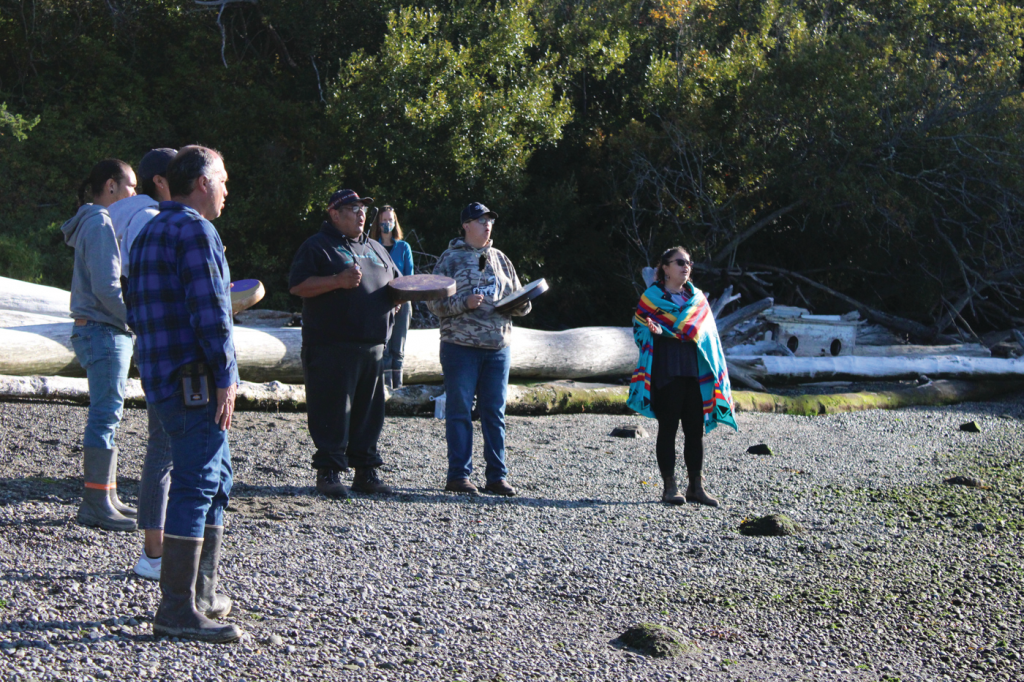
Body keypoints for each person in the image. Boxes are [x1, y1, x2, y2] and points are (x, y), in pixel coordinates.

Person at [126, 145, 242, 643]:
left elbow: (133, 308)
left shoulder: (147, 229)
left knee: (217, 476)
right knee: (197, 484)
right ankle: (177, 608)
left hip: (161, 378)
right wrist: (227, 376)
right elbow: (212, 311)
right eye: (222, 181)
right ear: (200, 183)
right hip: (196, 381)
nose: (225, 191)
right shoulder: (197, 229)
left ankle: (202, 593)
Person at [289, 189, 401, 498]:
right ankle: (328, 472)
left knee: (369, 413)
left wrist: (400, 299)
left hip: (374, 346)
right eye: (352, 208)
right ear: (334, 214)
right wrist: (336, 281)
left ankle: (366, 471)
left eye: (363, 208)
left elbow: (397, 282)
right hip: (330, 345)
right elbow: (297, 285)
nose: (361, 213)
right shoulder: (318, 246)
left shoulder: (377, 248)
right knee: (331, 412)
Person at [427, 202, 531, 496]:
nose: (487, 225)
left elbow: (523, 302)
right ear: (465, 226)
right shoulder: (449, 260)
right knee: (460, 411)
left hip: (498, 347)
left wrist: (518, 303)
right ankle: (459, 476)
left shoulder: (501, 259)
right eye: (480, 220)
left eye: (490, 221)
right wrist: (465, 303)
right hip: (460, 347)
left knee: (494, 413)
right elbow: (433, 303)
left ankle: (497, 477)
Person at [108, 148, 177, 580]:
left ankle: (158, 548)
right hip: (164, 344)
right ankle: (155, 553)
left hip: (145, 340)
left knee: (163, 445)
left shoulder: (119, 217)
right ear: (162, 182)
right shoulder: (150, 220)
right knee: (164, 448)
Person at [61, 158, 138, 532]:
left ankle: (106, 495)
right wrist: (136, 319)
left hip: (96, 330)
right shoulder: (99, 221)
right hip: (104, 331)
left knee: (108, 414)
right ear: (111, 186)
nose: (134, 193)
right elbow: (107, 288)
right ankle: (95, 502)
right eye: (131, 186)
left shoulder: (92, 221)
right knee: (106, 415)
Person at [627, 246, 737, 506]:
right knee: (668, 429)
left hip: (696, 374)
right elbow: (638, 330)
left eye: (688, 262)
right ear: (665, 267)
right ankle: (669, 487)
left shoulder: (698, 299)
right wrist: (652, 331)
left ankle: (696, 487)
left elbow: (709, 337)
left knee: (694, 432)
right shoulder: (651, 298)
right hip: (667, 372)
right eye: (679, 262)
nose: (685, 267)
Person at [368, 205, 414, 389]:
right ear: (378, 223)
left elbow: (410, 277)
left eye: (391, 220)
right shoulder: (372, 245)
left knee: (398, 349)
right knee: (383, 348)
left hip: (403, 300)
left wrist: (401, 300)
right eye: (384, 220)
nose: (388, 223)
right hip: (380, 302)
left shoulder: (403, 247)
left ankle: (398, 389)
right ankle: (384, 389)